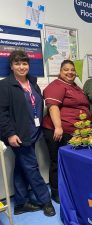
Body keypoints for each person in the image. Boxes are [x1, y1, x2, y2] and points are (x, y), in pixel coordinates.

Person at [0, 50, 55, 216]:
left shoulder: (32, 82)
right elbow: (2, 113)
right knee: (32, 168)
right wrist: (9, 133)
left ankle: (20, 203)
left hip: (33, 132)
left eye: (24, 63)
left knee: (21, 167)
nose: (21, 66)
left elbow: (35, 104)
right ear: (11, 66)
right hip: (19, 135)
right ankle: (46, 201)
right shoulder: (5, 85)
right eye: (17, 63)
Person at [43, 60, 91, 203]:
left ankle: (69, 188)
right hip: (58, 131)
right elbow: (53, 107)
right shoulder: (56, 85)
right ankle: (56, 192)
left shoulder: (75, 86)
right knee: (56, 162)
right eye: (66, 70)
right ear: (60, 71)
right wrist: (58, 127)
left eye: (72, 70)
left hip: (74, 133)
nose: (70, 72)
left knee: (70, 163)